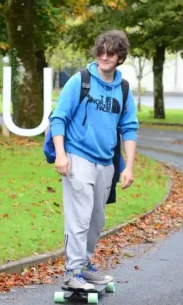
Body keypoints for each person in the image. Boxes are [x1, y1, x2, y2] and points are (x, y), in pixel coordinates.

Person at [48, 30, 139, 291]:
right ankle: (72, 271)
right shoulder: (81, 81)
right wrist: (61, 154)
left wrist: (129, 166)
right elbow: (59, 118)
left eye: (110, 53)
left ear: (120, 56)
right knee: (80, 216)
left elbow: (129, 128)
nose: (104, 56)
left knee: (97, 218)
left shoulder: (122, 88)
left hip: (106, 163)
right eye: (100, 51)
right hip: (78, 156)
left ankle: (85, 265)